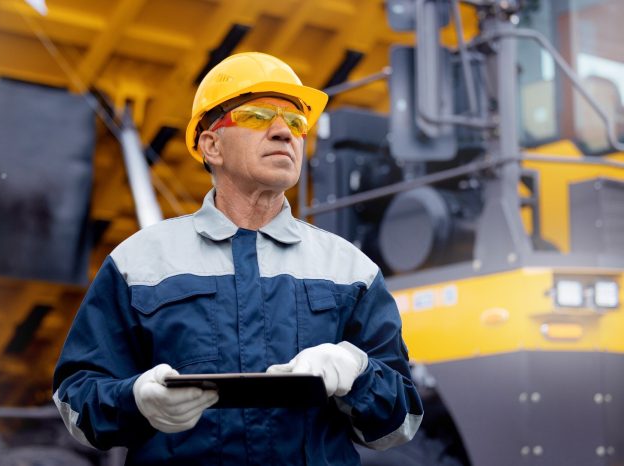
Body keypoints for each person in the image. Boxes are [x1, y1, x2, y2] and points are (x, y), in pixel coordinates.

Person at [53, 52, 423, 465]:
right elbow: (77, 398)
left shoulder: (351, 269)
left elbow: (400, 421)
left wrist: (357, 371)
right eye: (259, 116)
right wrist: (136, 399)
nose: (286, 132)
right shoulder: (138, 263)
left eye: (297, 122)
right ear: (211, 145)